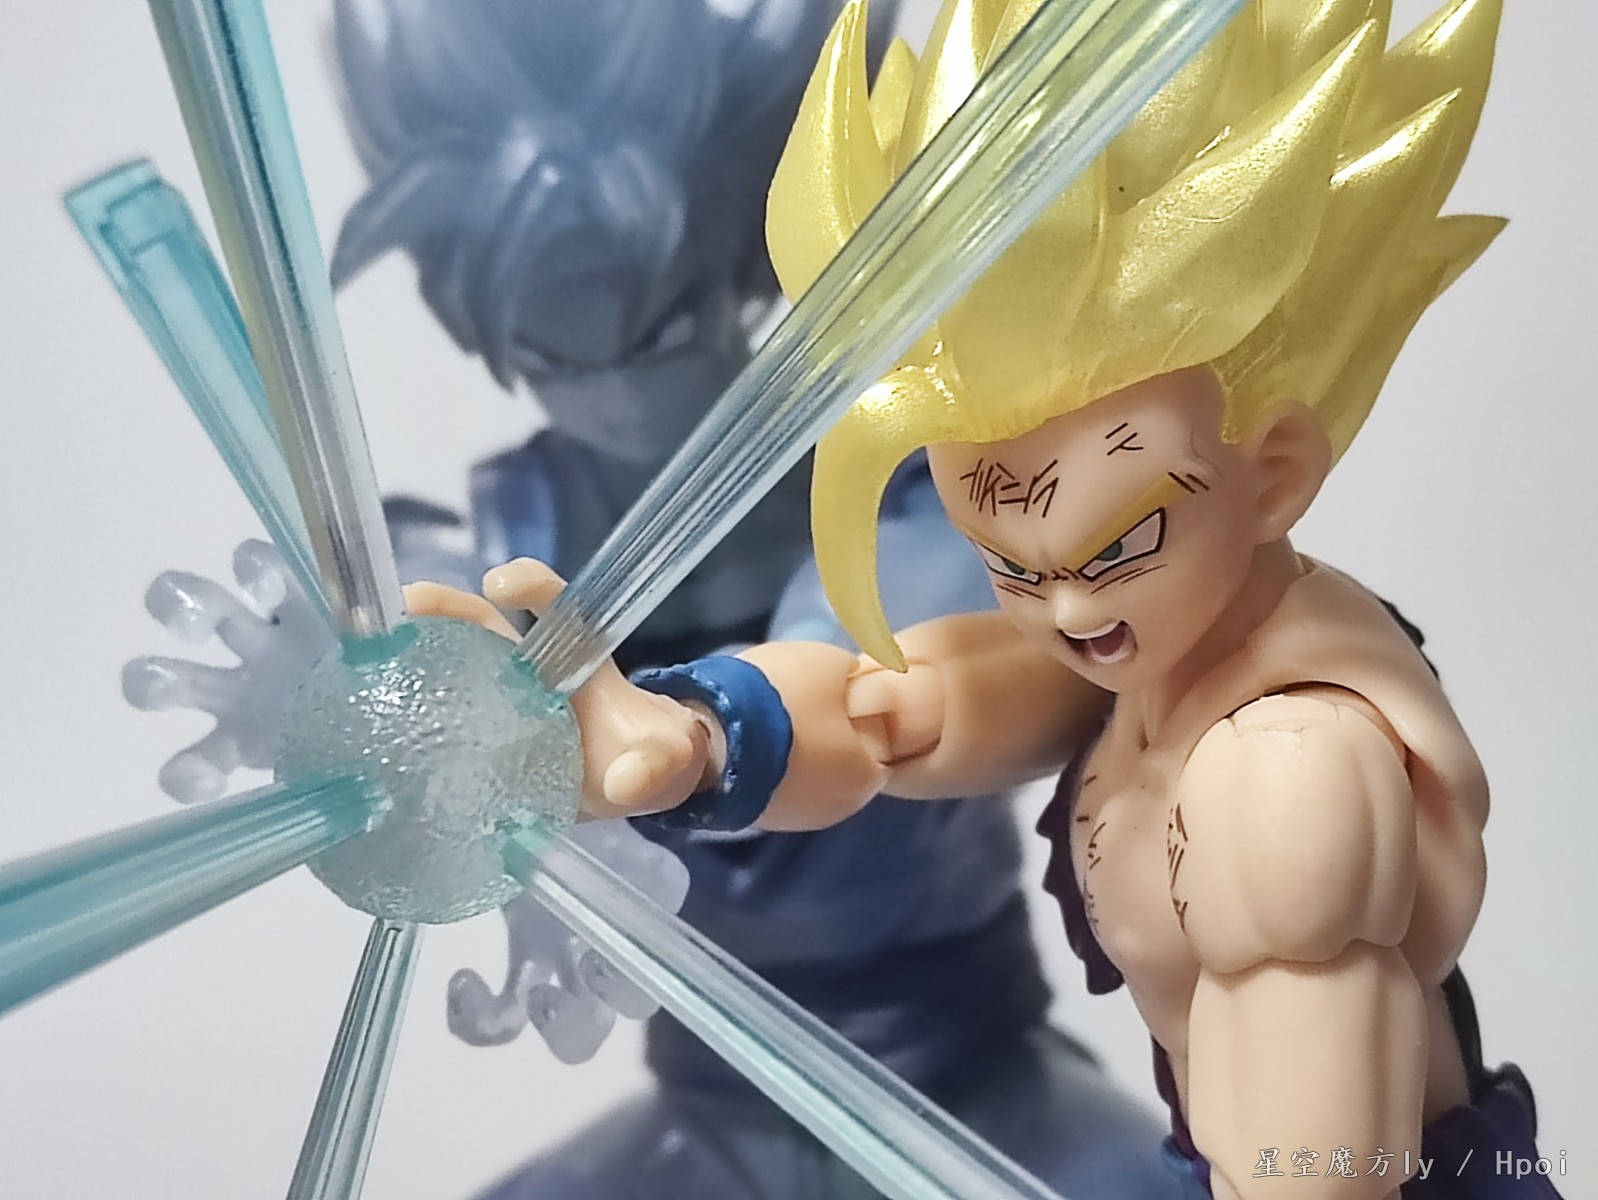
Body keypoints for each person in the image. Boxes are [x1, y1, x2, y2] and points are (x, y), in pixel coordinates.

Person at [412, 0, 1565, 1194]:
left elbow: (1315, 1169)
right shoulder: (1163, 652)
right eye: (1009, 563)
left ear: (1272, 472)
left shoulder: (1282, 772)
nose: (1063, 612)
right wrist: (690, 737)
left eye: (1116, 547)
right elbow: (894, 708)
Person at [330, 0, 1178, 1196]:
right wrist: (355, 694)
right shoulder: (508, 539)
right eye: (554, 352)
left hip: (967, 1083)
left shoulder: (901, 484)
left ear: (734, 271)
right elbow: (395, 668)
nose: (615, 389)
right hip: (710, 1100)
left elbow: (880, 682)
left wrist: (702, 737)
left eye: (661, 327)